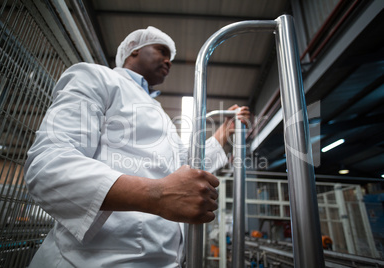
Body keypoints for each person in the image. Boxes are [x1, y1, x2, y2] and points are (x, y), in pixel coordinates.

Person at [24, 26, 250, 267]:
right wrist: (157, 195)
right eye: (161, 50)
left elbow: (186, 167)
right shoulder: (97, 78)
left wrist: (225, 130)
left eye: (170, 57)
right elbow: (48, 166)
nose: (168, 61)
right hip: (92, 260)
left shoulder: (156, 111)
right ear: (133, 50)